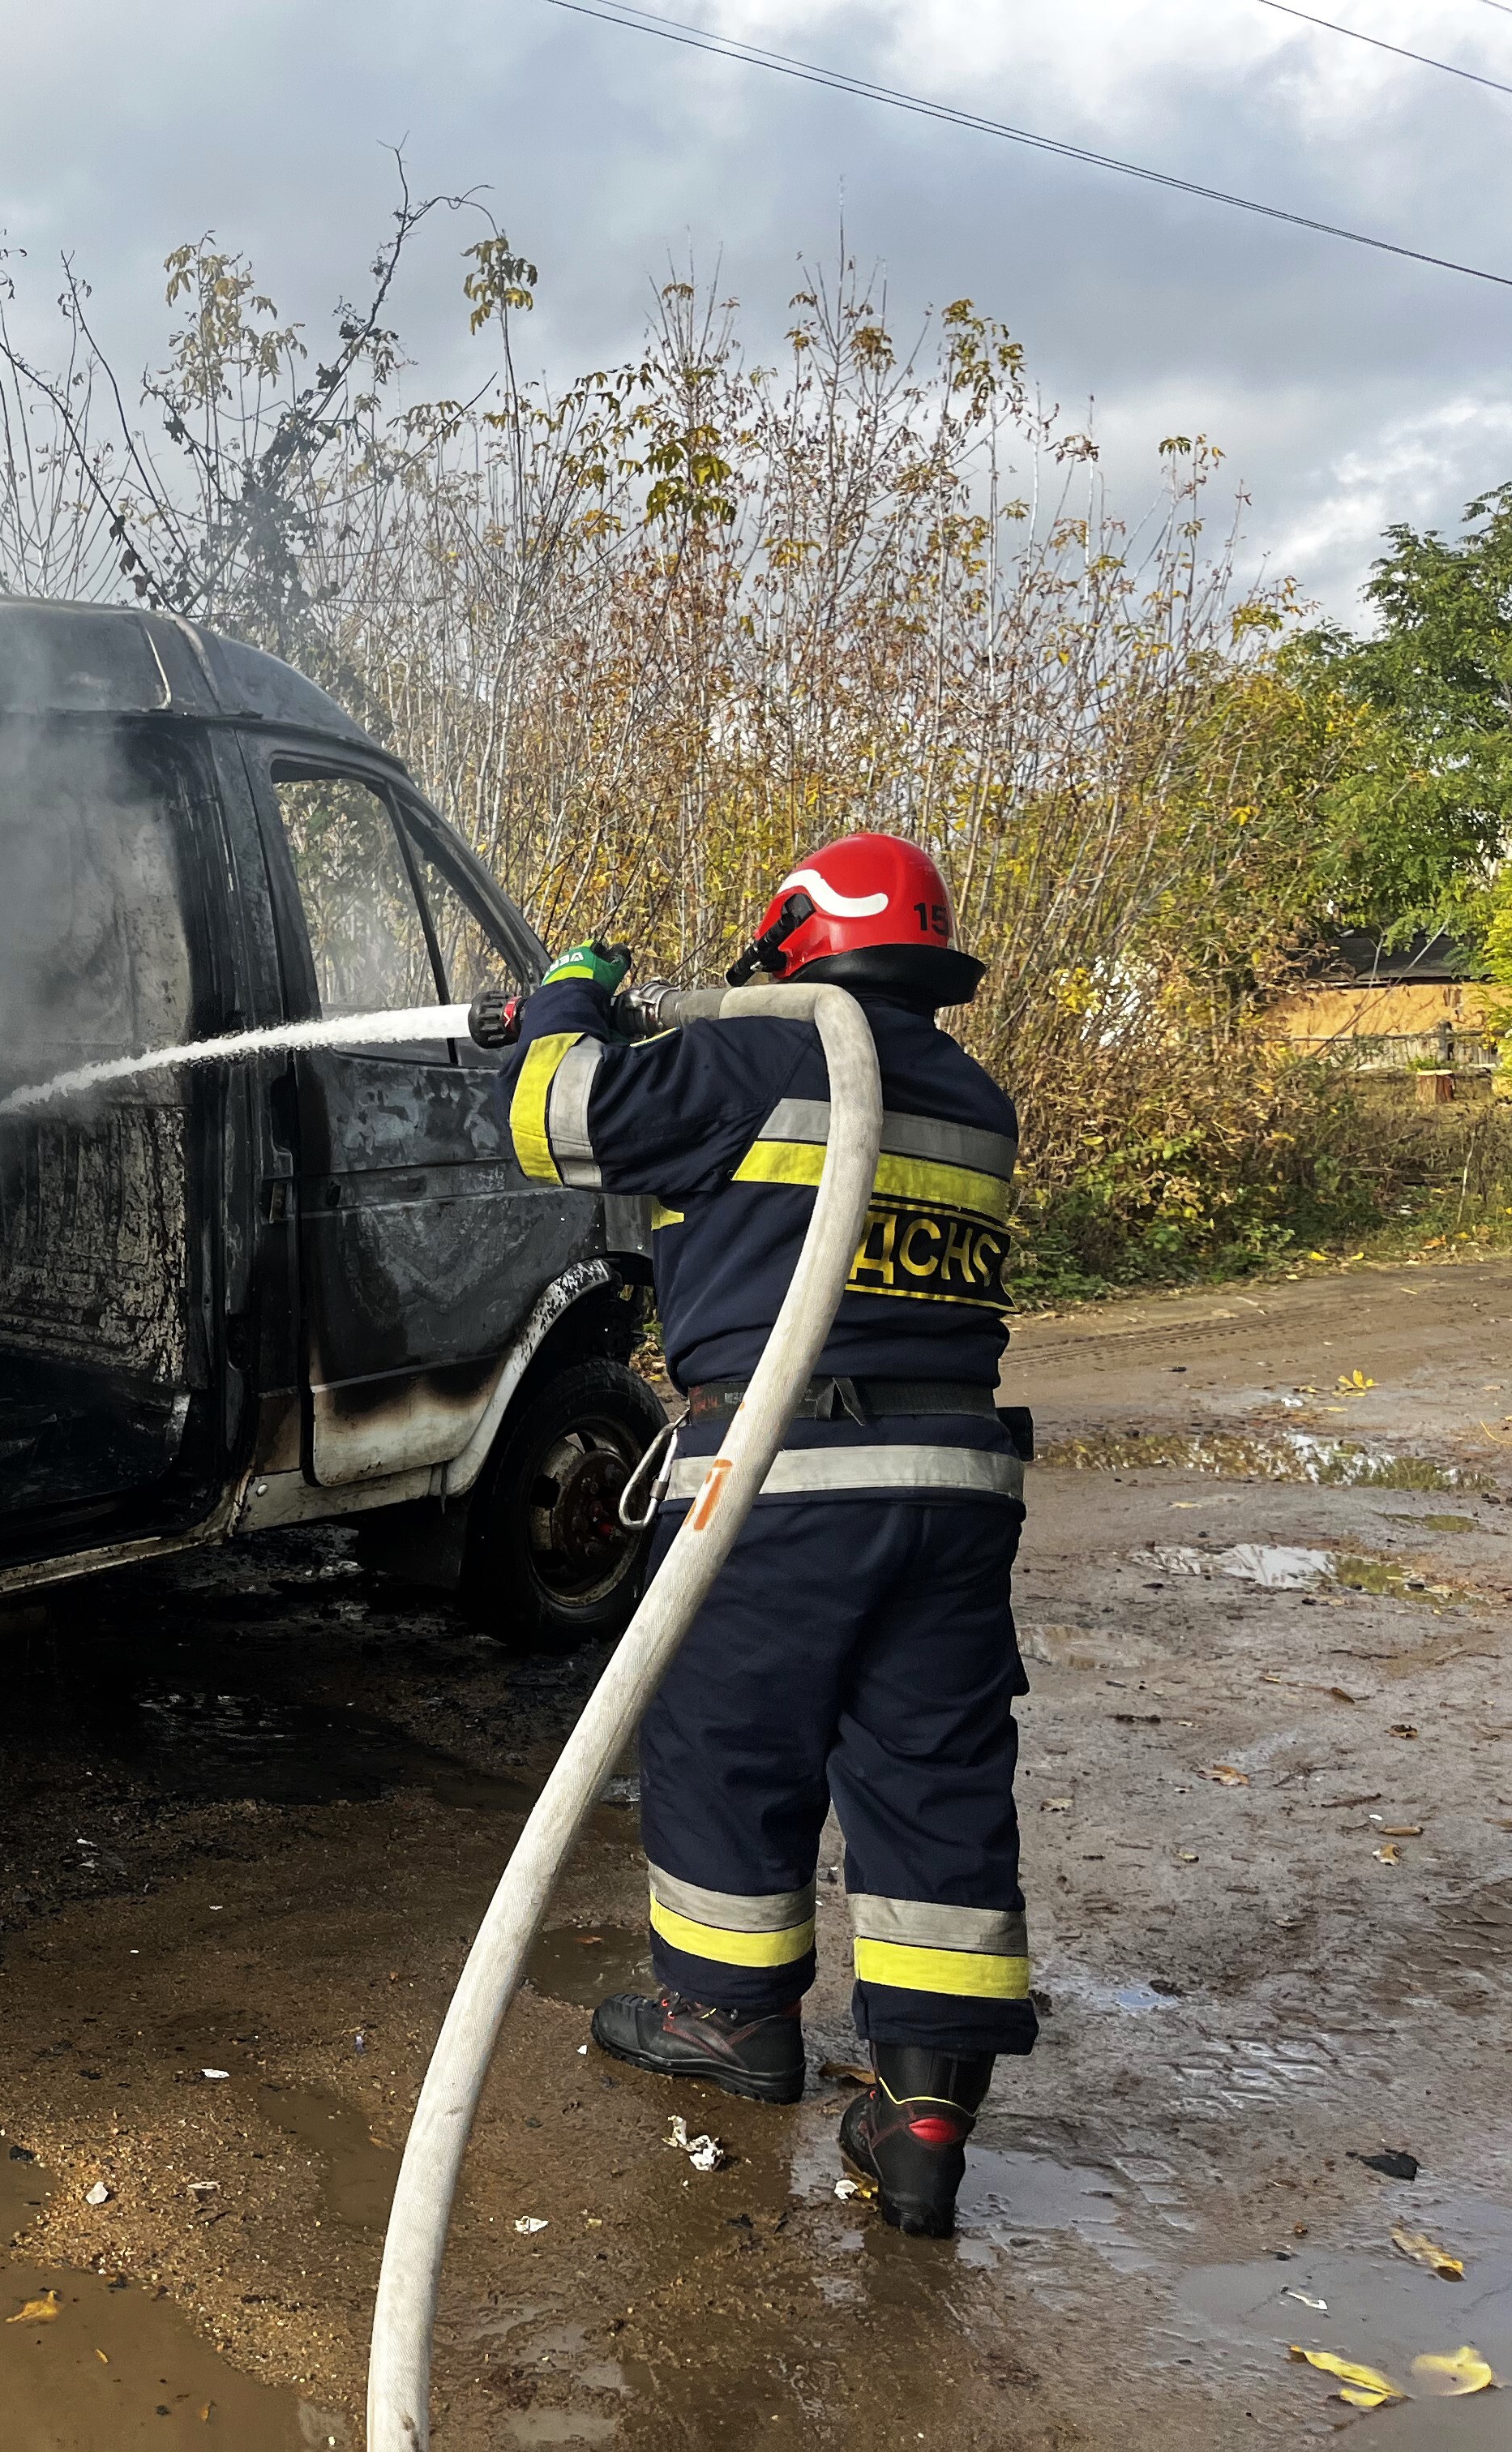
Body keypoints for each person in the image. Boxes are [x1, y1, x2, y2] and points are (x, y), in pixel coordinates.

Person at [495, 831, 1033, 2237]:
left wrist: (567, 996)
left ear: (794, 938)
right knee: (934, 1771)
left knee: (729, 1742)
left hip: (783, 1474)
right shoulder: (975, 1096)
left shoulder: (760, 1059)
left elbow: (554, 1115)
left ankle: (728, 2025)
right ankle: (923, 2115)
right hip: (956, 1488)